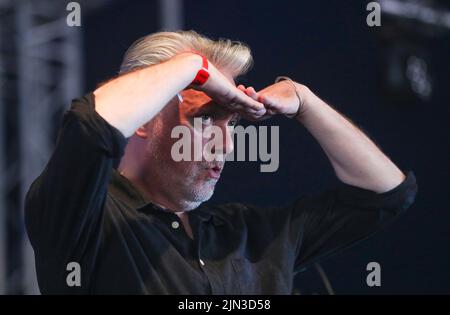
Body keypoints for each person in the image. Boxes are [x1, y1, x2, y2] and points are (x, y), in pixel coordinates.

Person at [24, 30, 417, 294]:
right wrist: (192, 68)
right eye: (205, 118)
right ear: (145, 120)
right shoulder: (86, 219)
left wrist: (304, 101)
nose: (226, 144)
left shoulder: (249, 235)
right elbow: (92, 125)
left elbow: (386, 194)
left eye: (231, 122)